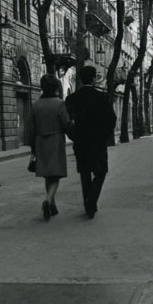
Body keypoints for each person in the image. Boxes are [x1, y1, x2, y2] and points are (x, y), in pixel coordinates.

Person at [65, 65, 117, 219]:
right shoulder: (103, 98)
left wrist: (74, 135)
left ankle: (89, 205)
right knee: (101, 172)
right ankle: (91, 201)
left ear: (81, 79)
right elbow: (112, 120)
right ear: (94, 79)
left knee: (85, 173)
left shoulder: (72, 99)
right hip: (98, 142)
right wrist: (104, 136)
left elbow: (67, 122)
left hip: (81, 142)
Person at [29, 74, 71, 221]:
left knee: (47, 174)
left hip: (40, 141)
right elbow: (66, 123)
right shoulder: (60, 103)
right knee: (56, 174)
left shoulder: (35, 105)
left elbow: (31, 127)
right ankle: (48, 200)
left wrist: (33, 146)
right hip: (55, 140)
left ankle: (52, 205)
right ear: (55, 87)